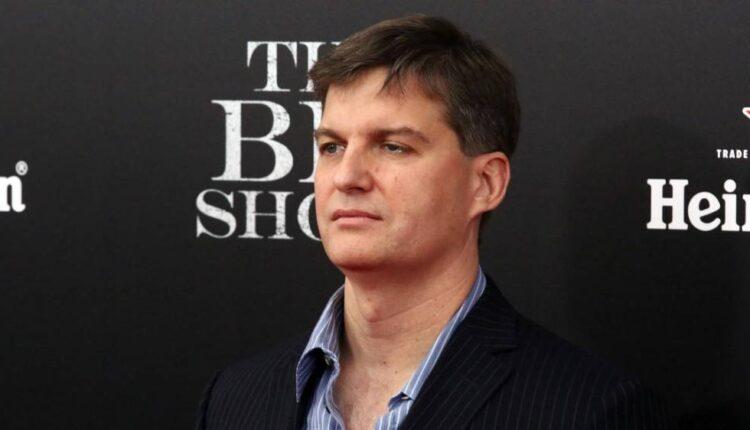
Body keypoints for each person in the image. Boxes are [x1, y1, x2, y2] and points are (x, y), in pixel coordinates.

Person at [195, 14, 672, 430]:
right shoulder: (235, 398)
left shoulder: (588, 410)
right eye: (332, 146)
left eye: (393, 146)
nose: (347, 177)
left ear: (485, 183)